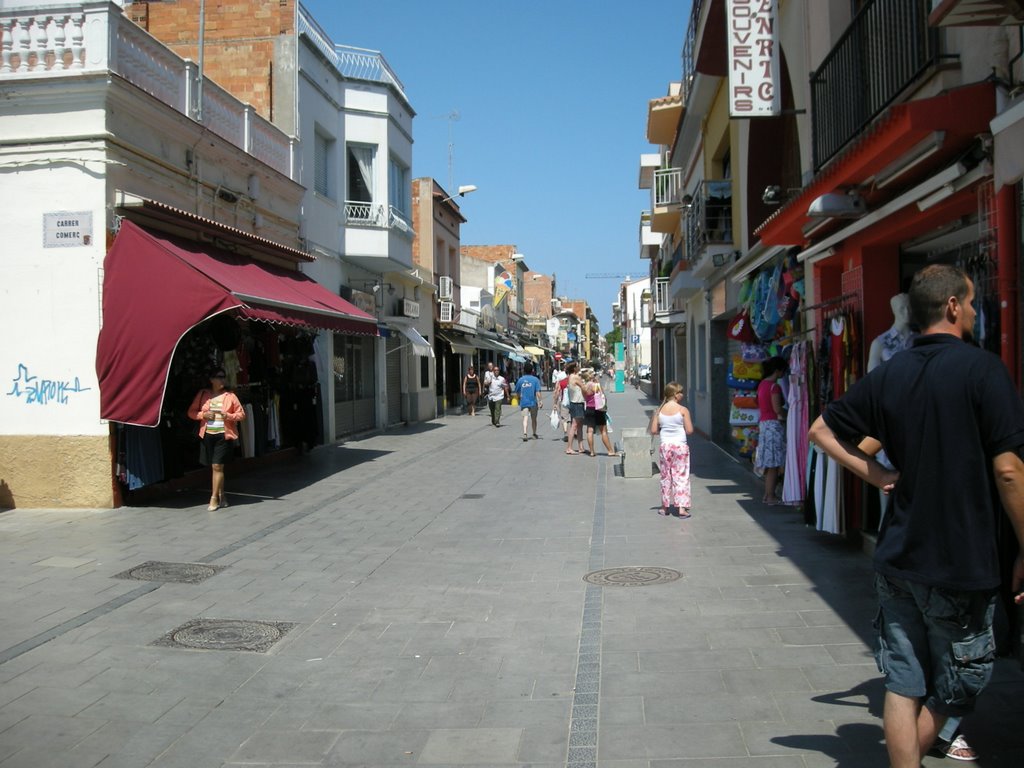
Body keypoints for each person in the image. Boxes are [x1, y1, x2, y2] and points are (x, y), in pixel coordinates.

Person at [807, 264, 1024, 768]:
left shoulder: (891, 372)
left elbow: (820, 430)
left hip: (899, 554)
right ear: (951, 306)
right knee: (960, 683)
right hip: (960, 560)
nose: (973, 312)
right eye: (970, 304)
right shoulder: (984, 369)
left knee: (904, 685)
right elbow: (1010, 472)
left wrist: (879, 475)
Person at [187, 368, 246, 511]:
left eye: (223, 377)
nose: (222, 380)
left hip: (223, 435)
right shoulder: (203, 394)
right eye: (219, 377)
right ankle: (222, 495)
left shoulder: (230, 396)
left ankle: (214, 498)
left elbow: (242, 414)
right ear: (211, 379)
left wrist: (229, 416)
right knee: (214, 467)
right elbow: (191, 412)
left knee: (217, 466)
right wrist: (203, 415)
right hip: (207, 435)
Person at [649, 381, 694, 518]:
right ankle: (681, 508)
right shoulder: (683, 410)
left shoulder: (659, 411)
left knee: (665, 476)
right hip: (680, 446)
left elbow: (653, 430)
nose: (682, 395)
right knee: (681, 476)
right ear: (675, 394)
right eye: (681, 392)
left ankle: (665, 507)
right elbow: (690, 430)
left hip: (665, 446)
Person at [755, 356, 788, 504]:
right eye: (783, 371)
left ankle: (767, 495)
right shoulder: (774, 387)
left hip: (764, 425)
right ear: (778, 370)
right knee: (774, 463)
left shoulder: (762, 384)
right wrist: (789, 414)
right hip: (774, 426)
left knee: (769, 463)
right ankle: (770, 497)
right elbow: (777, 409)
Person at [867, 293, 916, 372]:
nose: (907, 312)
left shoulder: (919, 339)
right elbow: (872, 379)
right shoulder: (879, 343)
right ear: (894, 310)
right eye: (901, 309)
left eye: (909, 308)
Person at [581, 369, 614, 457]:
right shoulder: (595, 385)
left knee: (589, 431)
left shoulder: (584, 387)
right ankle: (610, 450)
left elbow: (585, 398)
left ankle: (592, 451)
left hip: (589, 408)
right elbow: (602, 395)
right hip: (598, 409)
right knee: (603, 431)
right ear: (591, 376)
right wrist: (598, 383)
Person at [514, 362, 544, 441]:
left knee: (525, 418)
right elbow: (538, 392)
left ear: (524, 370)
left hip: (524, 402)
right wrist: (540, 401)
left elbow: (516, 391)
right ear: (532, 370)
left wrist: (518, 397)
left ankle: (525, 433)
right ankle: (534, 433)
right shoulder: (535, 380)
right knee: (534, 419)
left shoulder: (521, 380)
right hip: (533, 402)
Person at [565, 362, 587, 455]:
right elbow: (584, 388)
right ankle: (569, 448)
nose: (579, 367)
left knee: (579, 426)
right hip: (577, 403)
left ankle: (581, 446)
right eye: (577, 366)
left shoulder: (570, 377)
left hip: (575, 402)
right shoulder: (575, 377)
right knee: (574, 426)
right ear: (574, 368)